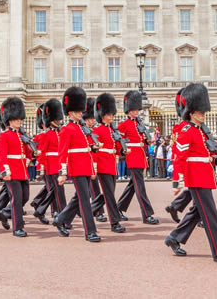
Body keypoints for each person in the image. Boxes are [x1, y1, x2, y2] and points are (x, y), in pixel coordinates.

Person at [164, 83, 217, 264]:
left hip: (205, 175)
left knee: (198, 211)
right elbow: (179, 158)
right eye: (200, 111)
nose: (203, 114)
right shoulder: (187, 131)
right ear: (191, 112)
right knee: (210, 215)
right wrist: (177, 183)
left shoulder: (201, 131)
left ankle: (175, 238)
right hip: (196, 178)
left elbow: (206, 152)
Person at [52, 86, 100, 242]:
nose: (81, 113)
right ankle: (90, 231)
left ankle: (60, 220)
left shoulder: (82, 128)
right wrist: (63, 172)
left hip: (85, 166)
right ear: (70, 112)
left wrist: (93, 147)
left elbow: (85, 148)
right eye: (78, 111)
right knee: (85, 200)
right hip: (76, 167)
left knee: (78, 198)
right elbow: (63, 152)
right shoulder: (66, 129)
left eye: (81, 110)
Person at [116, 90, 159, 224]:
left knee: (133, 186)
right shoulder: (124, 124)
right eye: (134, 110)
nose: (136, 111)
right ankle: (146, 214)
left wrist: (147, 141)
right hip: (132, 156)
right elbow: (120, 141)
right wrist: (123, 151)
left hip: (140, 155)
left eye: (137, 109)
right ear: (128, 110)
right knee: (140, 187)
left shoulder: (138, 123)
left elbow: (142, 139)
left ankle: (118, 208)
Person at [90, 93, 126, 233]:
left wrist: (122, 152)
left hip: (112, 164)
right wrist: (95, 166)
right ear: (102, 114)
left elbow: (116, 148)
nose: (111, 117)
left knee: (107, 193)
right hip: (103, 164)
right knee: (110, 194)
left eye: (112, 114)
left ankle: (89, 210)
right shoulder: (97, 130)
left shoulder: (112, 130)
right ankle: (114, 222)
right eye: (108, 114)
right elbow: (94, 150)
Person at [0, 97, 33, 237]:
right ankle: (17, 228)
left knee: (25, 197)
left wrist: (32, 153)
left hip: (23, 171)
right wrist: (5, 171)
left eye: (19, 119)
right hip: (11, 171)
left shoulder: (22, 135)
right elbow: (2, 155)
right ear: (9, 119)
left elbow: (27, 153)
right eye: (16, 119)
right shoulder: (4, 136)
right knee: (17, 199)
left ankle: (4, 213)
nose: (19, 121)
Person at [34, 99, 67, 222]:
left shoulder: (61, 132)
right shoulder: (45, 135)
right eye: (57, 119)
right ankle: (59, 213)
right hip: (49, 166)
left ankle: (40, 207)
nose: (59, 121)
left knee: (55, 191)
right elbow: (41, 153)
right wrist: (40, 169)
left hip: (58, 165)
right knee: (55, 191)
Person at [164, 87, 193, 224]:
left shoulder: (183, 126)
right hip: (189, 162)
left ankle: (175, 207)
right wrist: (177, 181)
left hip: (193, 161)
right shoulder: (184, 127)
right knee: (199, 190)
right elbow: (179, 151)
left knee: (198, 191)